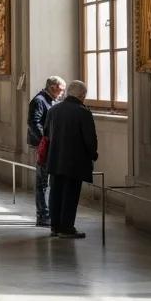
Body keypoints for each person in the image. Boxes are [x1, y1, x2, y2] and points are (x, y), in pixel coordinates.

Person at [46, 79, 98, 239]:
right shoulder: (83, 112)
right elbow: (90, 139)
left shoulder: (54, 110)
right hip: (75, 162)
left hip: (55, 159)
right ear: (82, 95)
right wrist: (93, 155)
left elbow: (46, 133)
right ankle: (66, 227)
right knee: (70, 194)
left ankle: (55, 226)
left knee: (56, 192)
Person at [27, 75, 66, 228]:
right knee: (42, 182)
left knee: (47, 181)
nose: (62, 93)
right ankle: (42, 215)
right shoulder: (39, 101)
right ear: (52, 87)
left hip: (49, 144)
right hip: (43, 145)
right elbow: (33, 122)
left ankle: (48, 213)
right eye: (61, 90)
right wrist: (45, 139)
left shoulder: (50, 100)